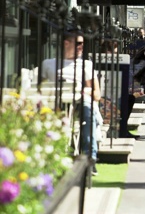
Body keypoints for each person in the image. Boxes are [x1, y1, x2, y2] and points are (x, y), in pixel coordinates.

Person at [41, 31, 102, 175]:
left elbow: (97, 94)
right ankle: (52, 157)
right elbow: (40, 89)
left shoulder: (86, 65)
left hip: (80, 102)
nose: (82, 47)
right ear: (66, 43)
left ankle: (90, 158)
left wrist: (83, 91)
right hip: (54, 102)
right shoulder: (49, 64)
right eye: (79, 43)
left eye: (83, 44)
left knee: (87, 112)